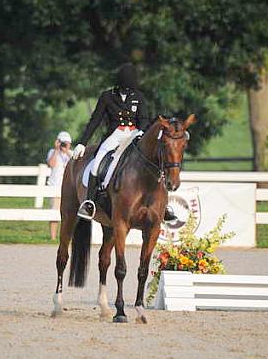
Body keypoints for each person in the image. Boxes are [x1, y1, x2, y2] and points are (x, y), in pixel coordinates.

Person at [72, 63, 177, 223]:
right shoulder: (107, 96)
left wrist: (141, 132)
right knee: (97, 162)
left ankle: (164, 206)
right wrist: (82, 143)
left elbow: (144, 119)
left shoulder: (138, 97)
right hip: (114, 135)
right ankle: (90, 202)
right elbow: (95, 121)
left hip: (134, 134)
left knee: (157, 164)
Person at [46, 131, 73, 240]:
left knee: (69, 214)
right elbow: (51, 164)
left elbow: (77, 162)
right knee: (54, 212)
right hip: (55, 187)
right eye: (63, 143)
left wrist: (67, 152)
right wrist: (57, 150)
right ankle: (52, 237)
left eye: (66, 143)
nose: (64, 145)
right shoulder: (52, 152)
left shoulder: (72, 153)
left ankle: (66, 236)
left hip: (69, 189)